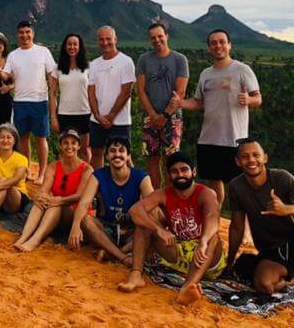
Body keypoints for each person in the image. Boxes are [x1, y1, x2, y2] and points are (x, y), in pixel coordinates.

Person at [225, 138, 294, 312]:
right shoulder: (235, 187)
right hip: (272, 251)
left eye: (255, 155)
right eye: (245, 157)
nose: (251, 160)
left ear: (265, 158)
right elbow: (237, 226)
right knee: (264, 285)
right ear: (238, 162)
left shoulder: (282, 178)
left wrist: (286, 209)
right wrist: (229, 263)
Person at [118, 153, 224, 306]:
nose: (180, 174)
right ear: (169, 175)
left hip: (207, 255)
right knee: (144, 224)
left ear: (193, 172)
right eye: (174, 171)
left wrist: (204, 241)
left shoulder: (206, 193)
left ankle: (187, 287)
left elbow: (213, 217)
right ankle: (136, 275)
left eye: (184, 170)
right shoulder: (163, 193)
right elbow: (135, 211)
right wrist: (158, 229)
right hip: (178, 252)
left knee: (214, 237)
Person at [171, 29, 261, 205]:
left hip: (233, 139)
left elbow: (258, 98)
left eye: (222, 42)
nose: (218, 46)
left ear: (229, 45)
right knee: (213, 183)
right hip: (209, 138)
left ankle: (245, 225)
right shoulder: (206, 73)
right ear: (209, 48)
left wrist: (249, 99)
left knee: (239, 184)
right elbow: (198, 102)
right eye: (213, 43)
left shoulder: (242, 70)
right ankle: (214, 219)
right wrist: (180, 103)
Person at [68, 137, 154, 266]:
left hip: (132, 230)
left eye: (121, 151)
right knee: (85, 219)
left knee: (153, 223)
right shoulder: (99, 175)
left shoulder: (141, 176)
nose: (117, 154)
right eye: (112, 151)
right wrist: (75, 226)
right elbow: (84, 202)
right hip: (106, 229)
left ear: (128, 156)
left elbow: (152, 206)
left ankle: (114, 253)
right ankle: (122, 257)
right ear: (107, 156)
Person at [14, 129, 94, 252]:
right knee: (41, 202)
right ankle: (23, 238)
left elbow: (80, 196)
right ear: (60, 146)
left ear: (79, 146)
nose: (69, 146)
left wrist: (59, 200)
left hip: (75, 214)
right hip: (54, 210)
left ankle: (34, 240)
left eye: (73, 143)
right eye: (66, 143)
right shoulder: (53, 166)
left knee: (55, 204)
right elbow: (44, 189)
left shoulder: (87, 169)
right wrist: (41, 196)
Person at [0, 21, 56, 185]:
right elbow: (6, 74)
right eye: (21, 33)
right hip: (19, 102)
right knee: (23, 138)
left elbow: (53, 73)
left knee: (41, 138)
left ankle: (42, 173)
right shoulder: (13, 55)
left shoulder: (43, 51)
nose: (24, 35)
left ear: (33, 33)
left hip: (39, 101)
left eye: (27, 32)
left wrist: (53, 94)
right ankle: (27, 170)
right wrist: (1, 75)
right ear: (17, 35)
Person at [136, 23, 188, 187]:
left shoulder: (180, 59)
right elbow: (141, 91)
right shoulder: (144, 59)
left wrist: (165, 115)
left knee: (171, 161)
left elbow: (180, 93)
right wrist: (152, 114)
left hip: (172, 117)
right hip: (150, 116)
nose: (157, 40)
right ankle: (154, 199)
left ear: (167, 36)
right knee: (151, 159)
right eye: (153, 37)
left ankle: (170, 200)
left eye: (160, 36)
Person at [87, 26, 135, 167]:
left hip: (120, 120)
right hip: (97, 120)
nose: (105, 42)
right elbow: (91, 91)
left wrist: (111, 116)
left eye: (108, 39)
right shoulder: (94, 64)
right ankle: (98, 186)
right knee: (96, 153)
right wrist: (97, 115)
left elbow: (126, 91)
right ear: (98, 41)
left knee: (123, 156)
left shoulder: (126, 62)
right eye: (101, 39)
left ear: (115, 39)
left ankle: (130, 186)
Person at [49, 34, 92, 162]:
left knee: (85, 150)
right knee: (65, 151)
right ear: (65, 46)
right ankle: (67, 179)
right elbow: (52, 94)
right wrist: (53, 117)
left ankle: (85, 178)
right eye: (69, 44)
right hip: (65, 114)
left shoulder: (89, 67)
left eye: (75, 44)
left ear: (80, 47)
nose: (72, 47)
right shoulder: (57, 68)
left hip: (84, 113)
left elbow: (93, 92)